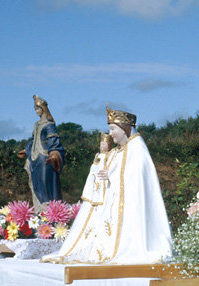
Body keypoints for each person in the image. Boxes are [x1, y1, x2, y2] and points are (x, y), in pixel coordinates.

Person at [42, 107, 172, 264]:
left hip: (131, 207)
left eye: (113, 129)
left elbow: (135, 178)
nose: (110, 134)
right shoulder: (121, 149)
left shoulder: (137, 148)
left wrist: (111, 176)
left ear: (124, 129)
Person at [18, 95, 65, 207]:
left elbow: (53, 140)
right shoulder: (36, 125)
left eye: (38, 108)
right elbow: (34, 140)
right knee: (36, 184)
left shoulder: (49, 125)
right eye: (35, 109)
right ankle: (39, 211)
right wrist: (26, 149)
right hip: (34, 158)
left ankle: (50, 212)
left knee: (46, 184)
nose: (36, 111)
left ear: (44, 109)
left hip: (45, 159)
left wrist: (54, 153)